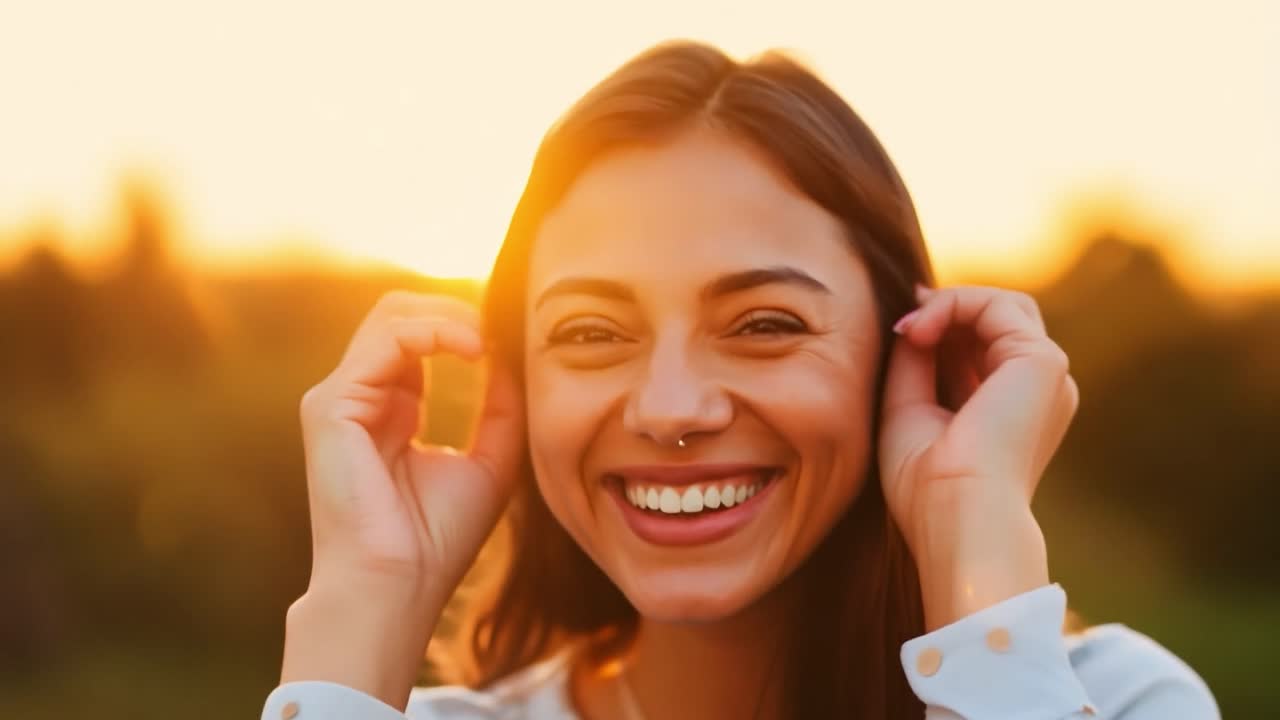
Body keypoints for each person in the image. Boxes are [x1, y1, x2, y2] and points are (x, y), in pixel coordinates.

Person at [260, 40, 1219, 719]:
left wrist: (973, 544)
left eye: (764, 324)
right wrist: (365, 598)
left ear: (899, 357)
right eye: (591, 332)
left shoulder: (1113, 701)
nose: (673, 407)